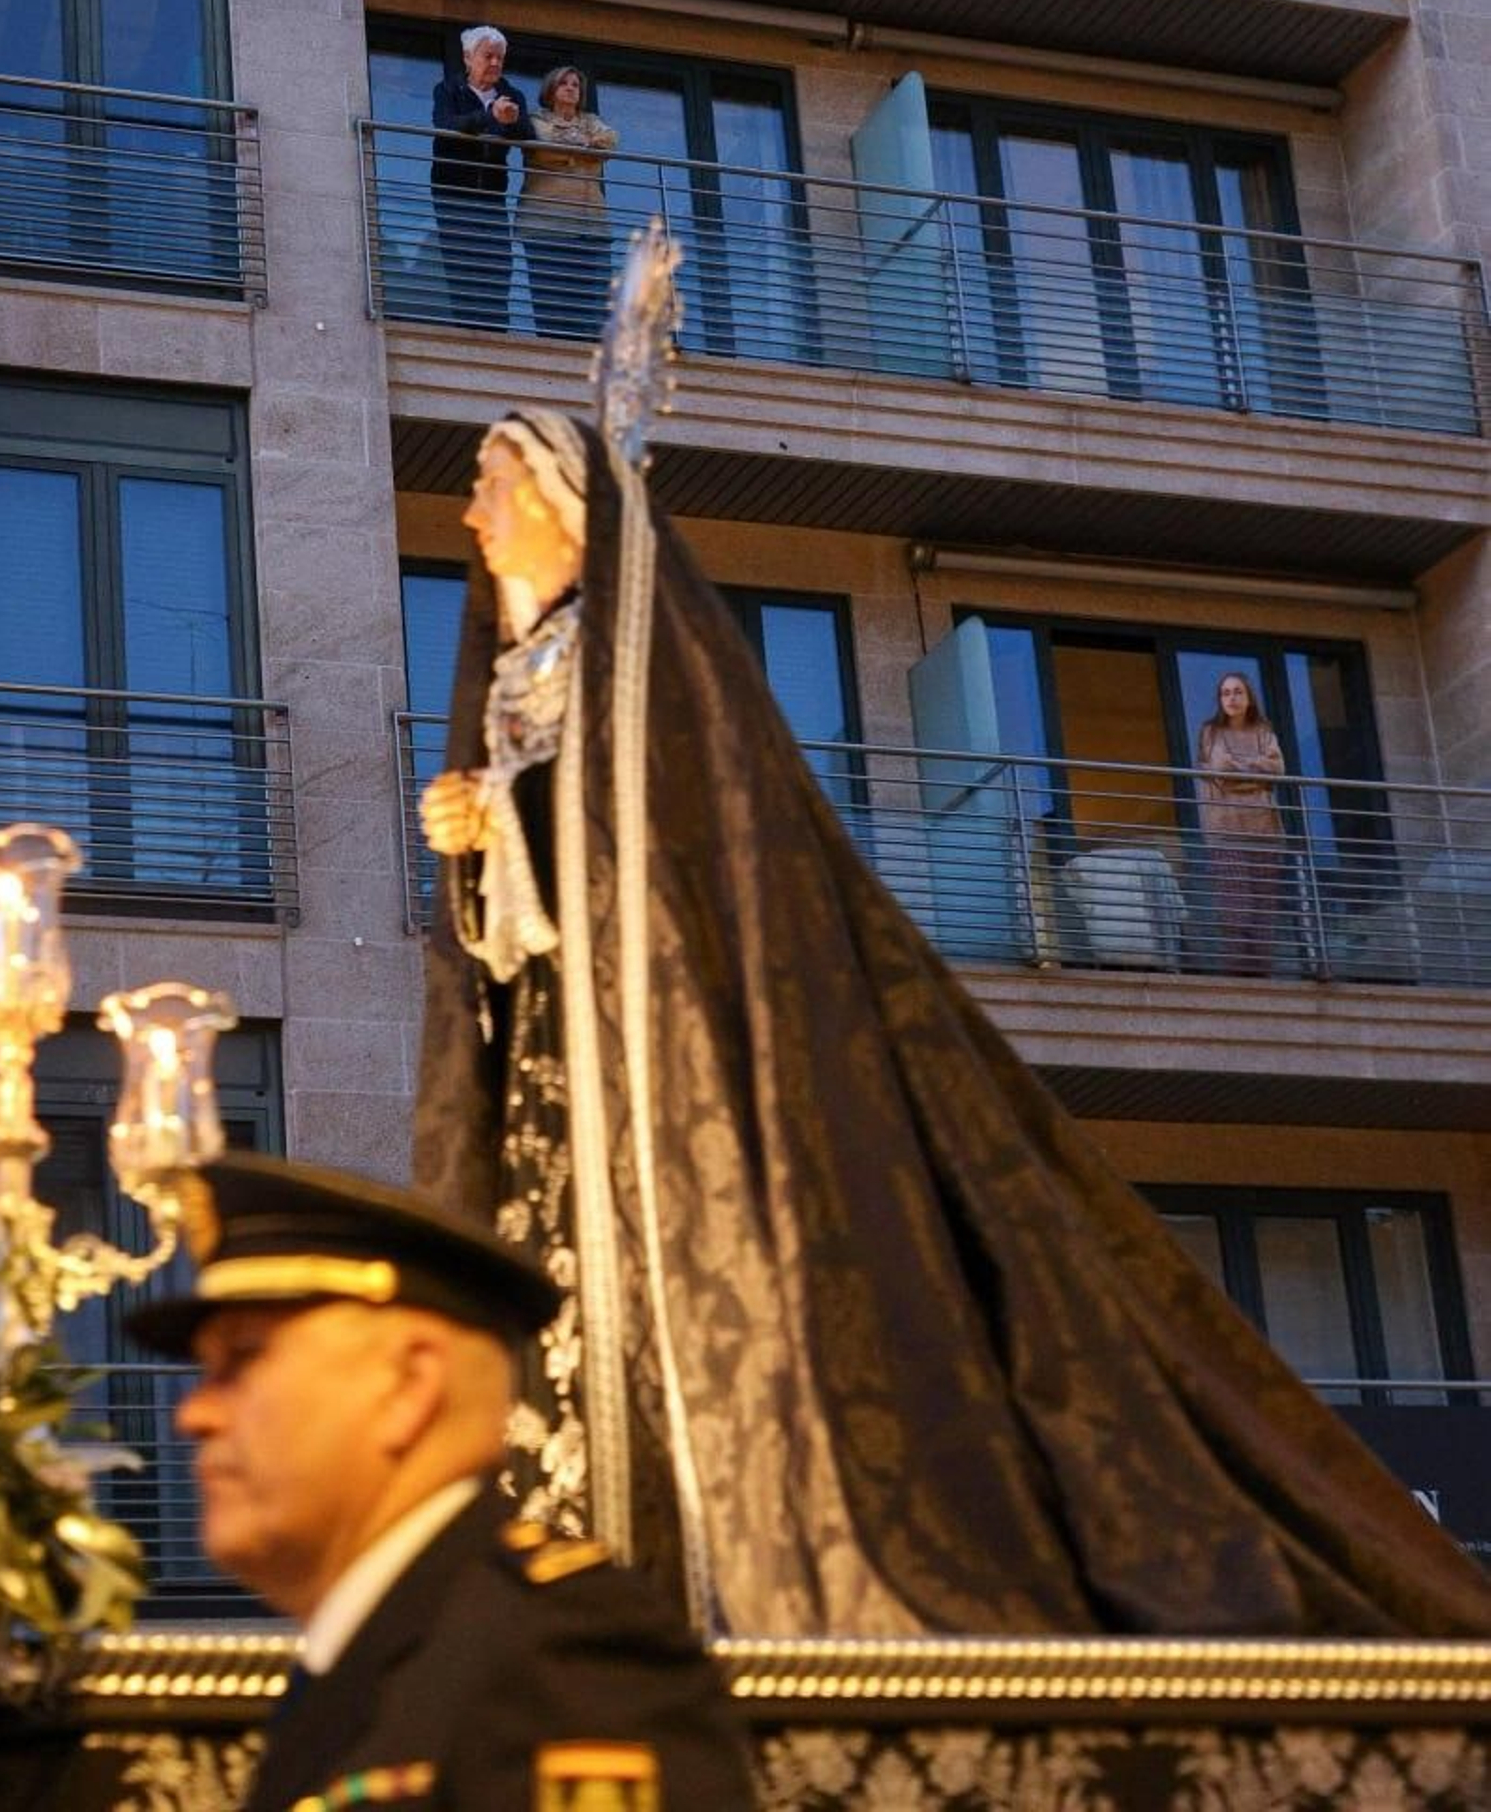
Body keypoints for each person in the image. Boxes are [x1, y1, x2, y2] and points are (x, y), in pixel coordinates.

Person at [415, 395, 1491, 1644]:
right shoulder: (513, 677)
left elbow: (681, 841)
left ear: (565, 504)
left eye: (493, 481)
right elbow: (533, 911)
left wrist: (514, 825)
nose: (470, 512)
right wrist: (479, 853)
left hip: (672, 1059)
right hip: (568, 1055)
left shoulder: (641, 649)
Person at [128, 1152, 758, 1812]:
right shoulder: (398, 1643)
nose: (192, 1413)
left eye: (243, 1358)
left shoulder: (559, 1654)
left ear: (409, 1386)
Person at [431, 26, 533, 330]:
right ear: (467, 57)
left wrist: (511, 121)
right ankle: (466, 331)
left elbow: (528, 134)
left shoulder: (512, 94)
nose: (495, 64)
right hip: (452, 191)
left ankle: (495, 332)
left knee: (498, 265)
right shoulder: (448, 90)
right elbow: (445, 124)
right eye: (488, 56)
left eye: (500, 58)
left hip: (492, 195)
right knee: (460, 262)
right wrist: (490, 117)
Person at [517, 65, 619, 340]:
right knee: (553, 298)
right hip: (547, 224)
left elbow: (609, 140)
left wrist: (573, 149)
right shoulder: (536, 118)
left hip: (590, 226)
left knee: (594, 302)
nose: (571, 88)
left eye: (576, 85)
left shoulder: (590, 120)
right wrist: (583, 151)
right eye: (565, 83)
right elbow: (544, 146)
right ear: (551, 90)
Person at [1197, 671, 1287, 977]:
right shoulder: (1211, 732)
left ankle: (1261, 975)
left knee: (1265, 907)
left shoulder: (1264, 731)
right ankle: (1237, 974)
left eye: (1237, 692)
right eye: (1225, 693)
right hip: (1226, 830)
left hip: (1264, 829)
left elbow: (1276, 768)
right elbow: (1222, 770)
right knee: (1237, 904)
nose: (1231, 698)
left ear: (1249, 698)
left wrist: (1242, 770)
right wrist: (1254, 773)